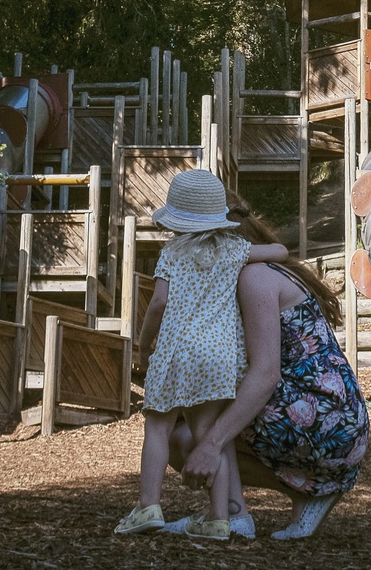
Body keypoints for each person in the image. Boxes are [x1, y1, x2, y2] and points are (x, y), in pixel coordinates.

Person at [163, 202, 369, 541]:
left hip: (326, 418)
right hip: (334, 422)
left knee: (203, 393)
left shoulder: (253, 277)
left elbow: (265, 375)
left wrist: (212, 444)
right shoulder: (264, 268)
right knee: (181, 440)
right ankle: (300, 494)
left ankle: (232, 515)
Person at [116, 169, 255, 541]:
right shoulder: (234, 251)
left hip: (176, 352)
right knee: (210, 436)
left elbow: (159, 303)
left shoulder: (171, 253)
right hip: (219, 355)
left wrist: (144, 347)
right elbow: (280, 251)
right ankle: (217, 518)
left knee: (158, 427)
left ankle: (148, 505)